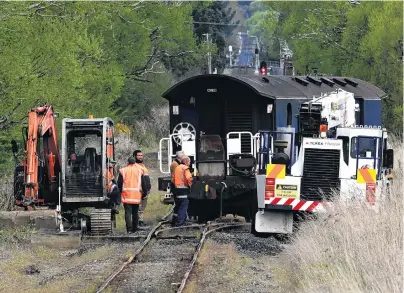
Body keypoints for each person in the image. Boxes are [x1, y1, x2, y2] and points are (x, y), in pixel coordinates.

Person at [117, 157, 146, 234]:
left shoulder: (123, 170)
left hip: (126, 195)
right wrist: (144, 193)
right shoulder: (140, 171)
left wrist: (119, 193)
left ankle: (129, 229)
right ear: (134, 162)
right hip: (136, 195)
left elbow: (119, 184)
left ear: (128, 162)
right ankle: (135, 228)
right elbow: (143, 183)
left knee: (128, 213)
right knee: (135, 213)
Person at [172, 156, 193, 226]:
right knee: (183, 205)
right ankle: (180, 222)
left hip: (176, 189)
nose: (190, 164)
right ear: (186, 162)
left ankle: (174, 220)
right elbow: (189, 178)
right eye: (189, 162)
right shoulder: (185, 168)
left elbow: (173, 180)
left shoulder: (177, 168)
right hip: (183, 189)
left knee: (178, 205)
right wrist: (191, 185)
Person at [133, 150, 151, 227]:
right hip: (139, 190)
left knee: (142, 207)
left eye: (141, 155)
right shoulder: (135, 166)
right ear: (134, 156)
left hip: (145, 190)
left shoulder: (143, 166)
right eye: (138, 155)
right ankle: (138, 222)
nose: (140, 157)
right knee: (139, 207)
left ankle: (140, 221)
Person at [170, 151, 185, 225]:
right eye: (183, 155)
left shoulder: (176, 164)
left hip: (176, 185)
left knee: (178, 203)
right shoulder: (175, 165)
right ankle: (177, 220)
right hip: (176, 186)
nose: (184, 157)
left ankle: (175, 219)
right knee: (179, 203)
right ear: (179, 157)